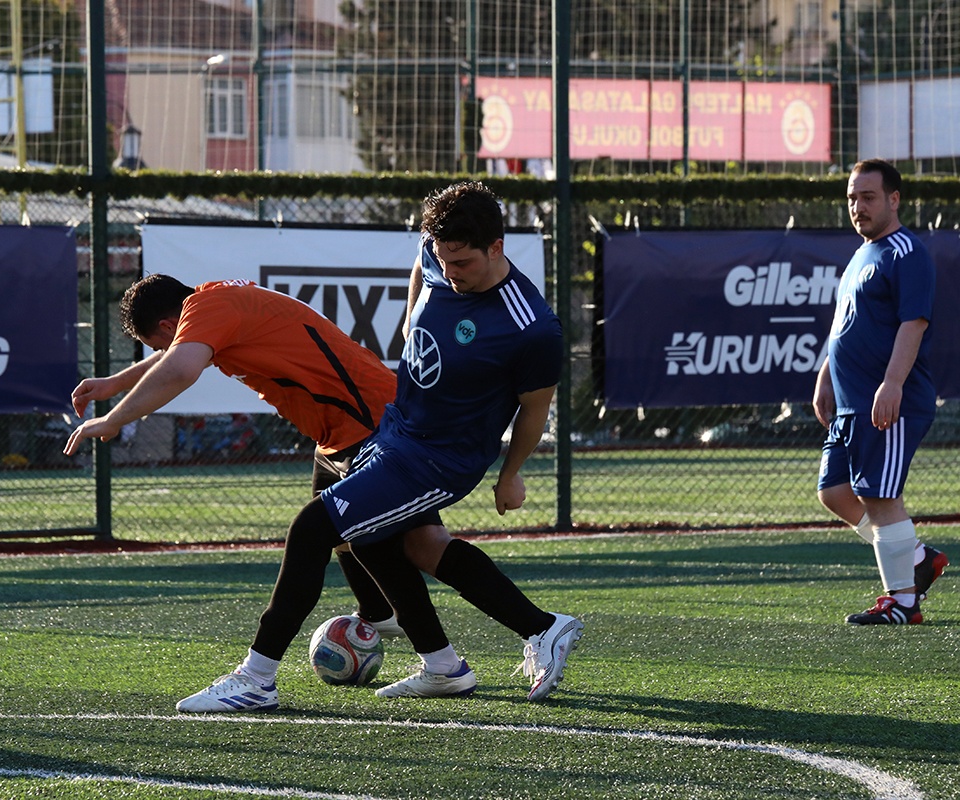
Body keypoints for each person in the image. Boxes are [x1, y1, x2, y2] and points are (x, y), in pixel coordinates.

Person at [174, 180, 583, 712]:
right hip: (396, 431)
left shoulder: (532, 328)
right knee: (386, 541)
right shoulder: (437, 257)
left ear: (497, 248)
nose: (450, 272)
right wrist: (412, 323)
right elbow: (423, 266)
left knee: (313, 528)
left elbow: (535, 410)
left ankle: (256, 678)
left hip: (440, 459)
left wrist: (511, 474)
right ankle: (463, 660)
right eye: (444, 259)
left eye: (462, 263)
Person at [66, 272, 440, 637]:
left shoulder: (207, 309)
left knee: (418, 544)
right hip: (339, 431)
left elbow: (178, 368)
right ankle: (381, 615)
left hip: (369, 420)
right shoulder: (213, 304)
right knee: (343, 533)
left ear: (169, 325)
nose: (162, 353)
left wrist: (113, 420)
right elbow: (176, 355)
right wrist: (115, 383)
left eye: (158, 345)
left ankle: (438, 655)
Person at [813, 158, 948, 625]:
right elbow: (845, 326)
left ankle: (903, 601)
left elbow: (914, 323)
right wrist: (825, 375)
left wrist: (891, 384)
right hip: (851, 403)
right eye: (852, 198)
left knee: (879, 498)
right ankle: (916, 557)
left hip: (890, 402)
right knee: (834, 492)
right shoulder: (860, 255)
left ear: (894, 199)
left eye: (868, 197)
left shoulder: (906, 252)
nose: (858, 206)